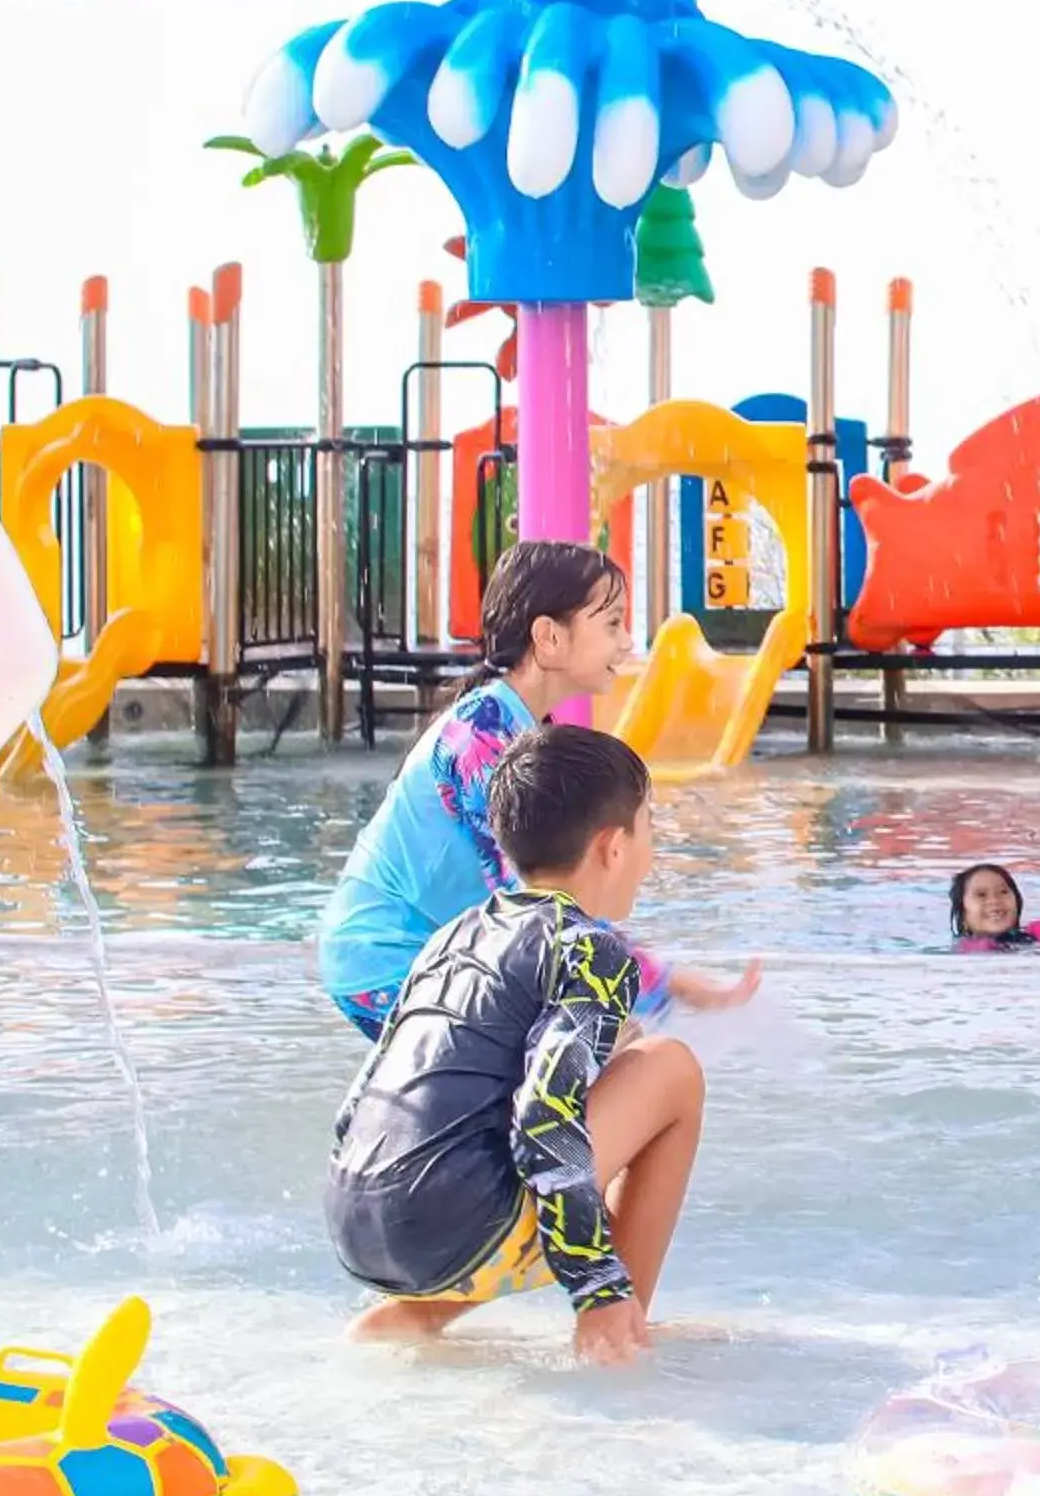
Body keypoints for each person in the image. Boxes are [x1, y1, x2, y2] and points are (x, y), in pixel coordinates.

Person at [327, 725, 748, 1365]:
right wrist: (594, 1281)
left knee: (619, 1065)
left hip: (357, 1218)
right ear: (611, 846)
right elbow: (543, 1117)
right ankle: (618, 1320)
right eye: (649, 827)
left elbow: (362, 1097)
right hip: (453, 1224)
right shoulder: (594, 950)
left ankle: (421, 1312)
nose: (651, 850)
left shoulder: (456, 934)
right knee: (670, 1068)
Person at [314, 539, 746, 1038]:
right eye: (611, 625)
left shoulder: (516, 727)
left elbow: (543, 909)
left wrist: (648, 983)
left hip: (428, 956)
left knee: (606, 1039)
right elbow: (531, 903)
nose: (627, 644)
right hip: (386, 961)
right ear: (549, 637)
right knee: (609, 1043)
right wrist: (663, 983)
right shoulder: (482, 739)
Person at [949, 863, 1040, 953]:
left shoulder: (1039, 931)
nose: (994, 900)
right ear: (963, 915)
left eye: (1003, 892)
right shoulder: (968, 951)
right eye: (981, 895)